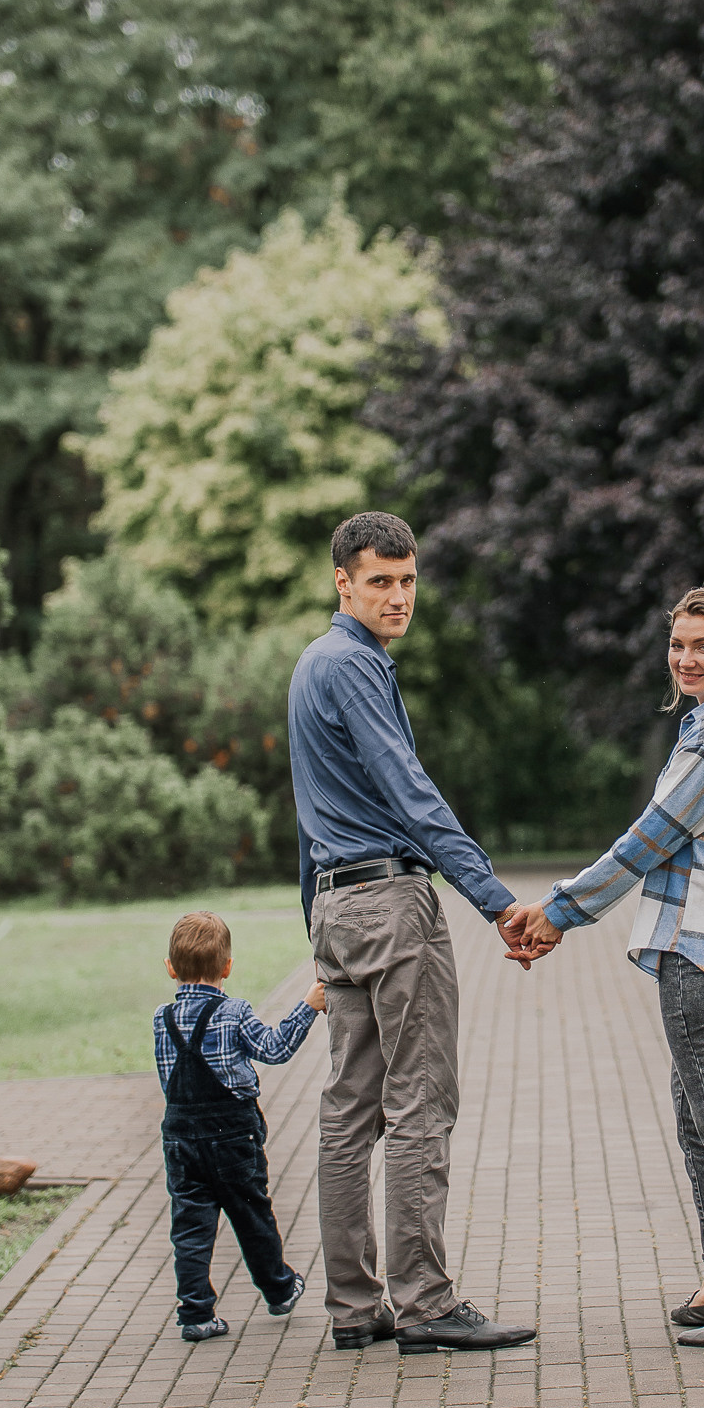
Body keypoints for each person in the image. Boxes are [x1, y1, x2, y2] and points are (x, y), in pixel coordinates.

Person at [503, 585, 704, 1348]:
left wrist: (558, 912)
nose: (685, 659)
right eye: (678, 646)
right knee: (698, 1114)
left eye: (703, 646)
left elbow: (649, 840)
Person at [288, 511, 536, 1357]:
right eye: (380, 580)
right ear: (343, 582)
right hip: (389, 908)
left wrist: (316, 928)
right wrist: (495, 900)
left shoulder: (314, 664)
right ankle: (425, 1301)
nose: (398, 596)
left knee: (348, 1111)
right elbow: (411, 794)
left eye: (408, 580)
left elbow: (309, 814)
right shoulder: (354, 666)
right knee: (420, 1101)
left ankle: (355, 1308)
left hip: (338, 907)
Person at [155, 909, 324, 1343]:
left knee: (190, 1225)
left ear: (171, 968)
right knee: (251, 1213)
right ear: (228, 967)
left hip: (180, 1137)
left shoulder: (162, 1019)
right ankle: (279, 1288)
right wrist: (309, 1005)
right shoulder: (233, 1013)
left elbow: (166, 1078)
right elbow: (275, 1048)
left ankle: (195, 1313)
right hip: (232, 1136)